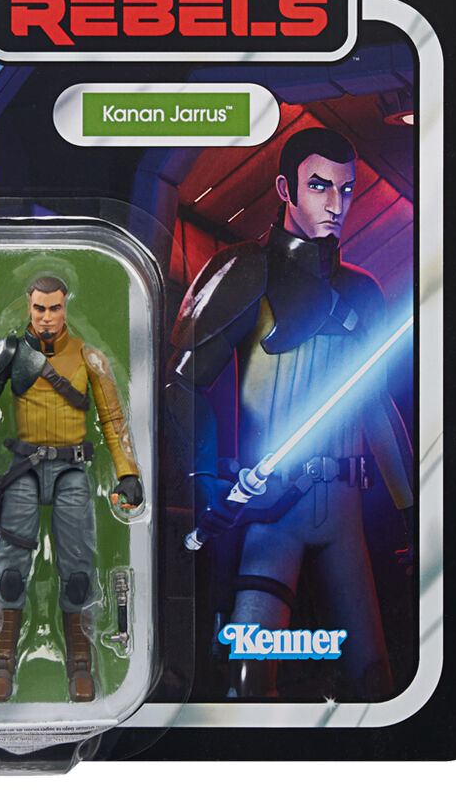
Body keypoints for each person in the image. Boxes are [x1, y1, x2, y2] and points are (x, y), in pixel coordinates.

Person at [168, 127, 413, 698]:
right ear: (286, 189)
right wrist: (204, 481)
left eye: (347, 189)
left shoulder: (364, 291)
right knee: (250, 680)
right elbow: (182, 382)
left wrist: (411, 510)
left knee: (377, 679)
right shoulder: (244, 269)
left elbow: (376, 408)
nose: (336, 203)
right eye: (319, 186)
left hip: (345, 515)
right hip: (271, 508)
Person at [0, 274, 144, 702]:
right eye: (39, 308)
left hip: (72, 471)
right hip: (23, 470)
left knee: (78, 574)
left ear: (65, 307)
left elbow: (113, 420)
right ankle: (2, 660)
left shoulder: (89, 358)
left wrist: (127, 473)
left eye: (54, 308)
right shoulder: (11, 354)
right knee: (11, 573)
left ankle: (81, 663)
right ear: (28, 307)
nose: (47, 317)